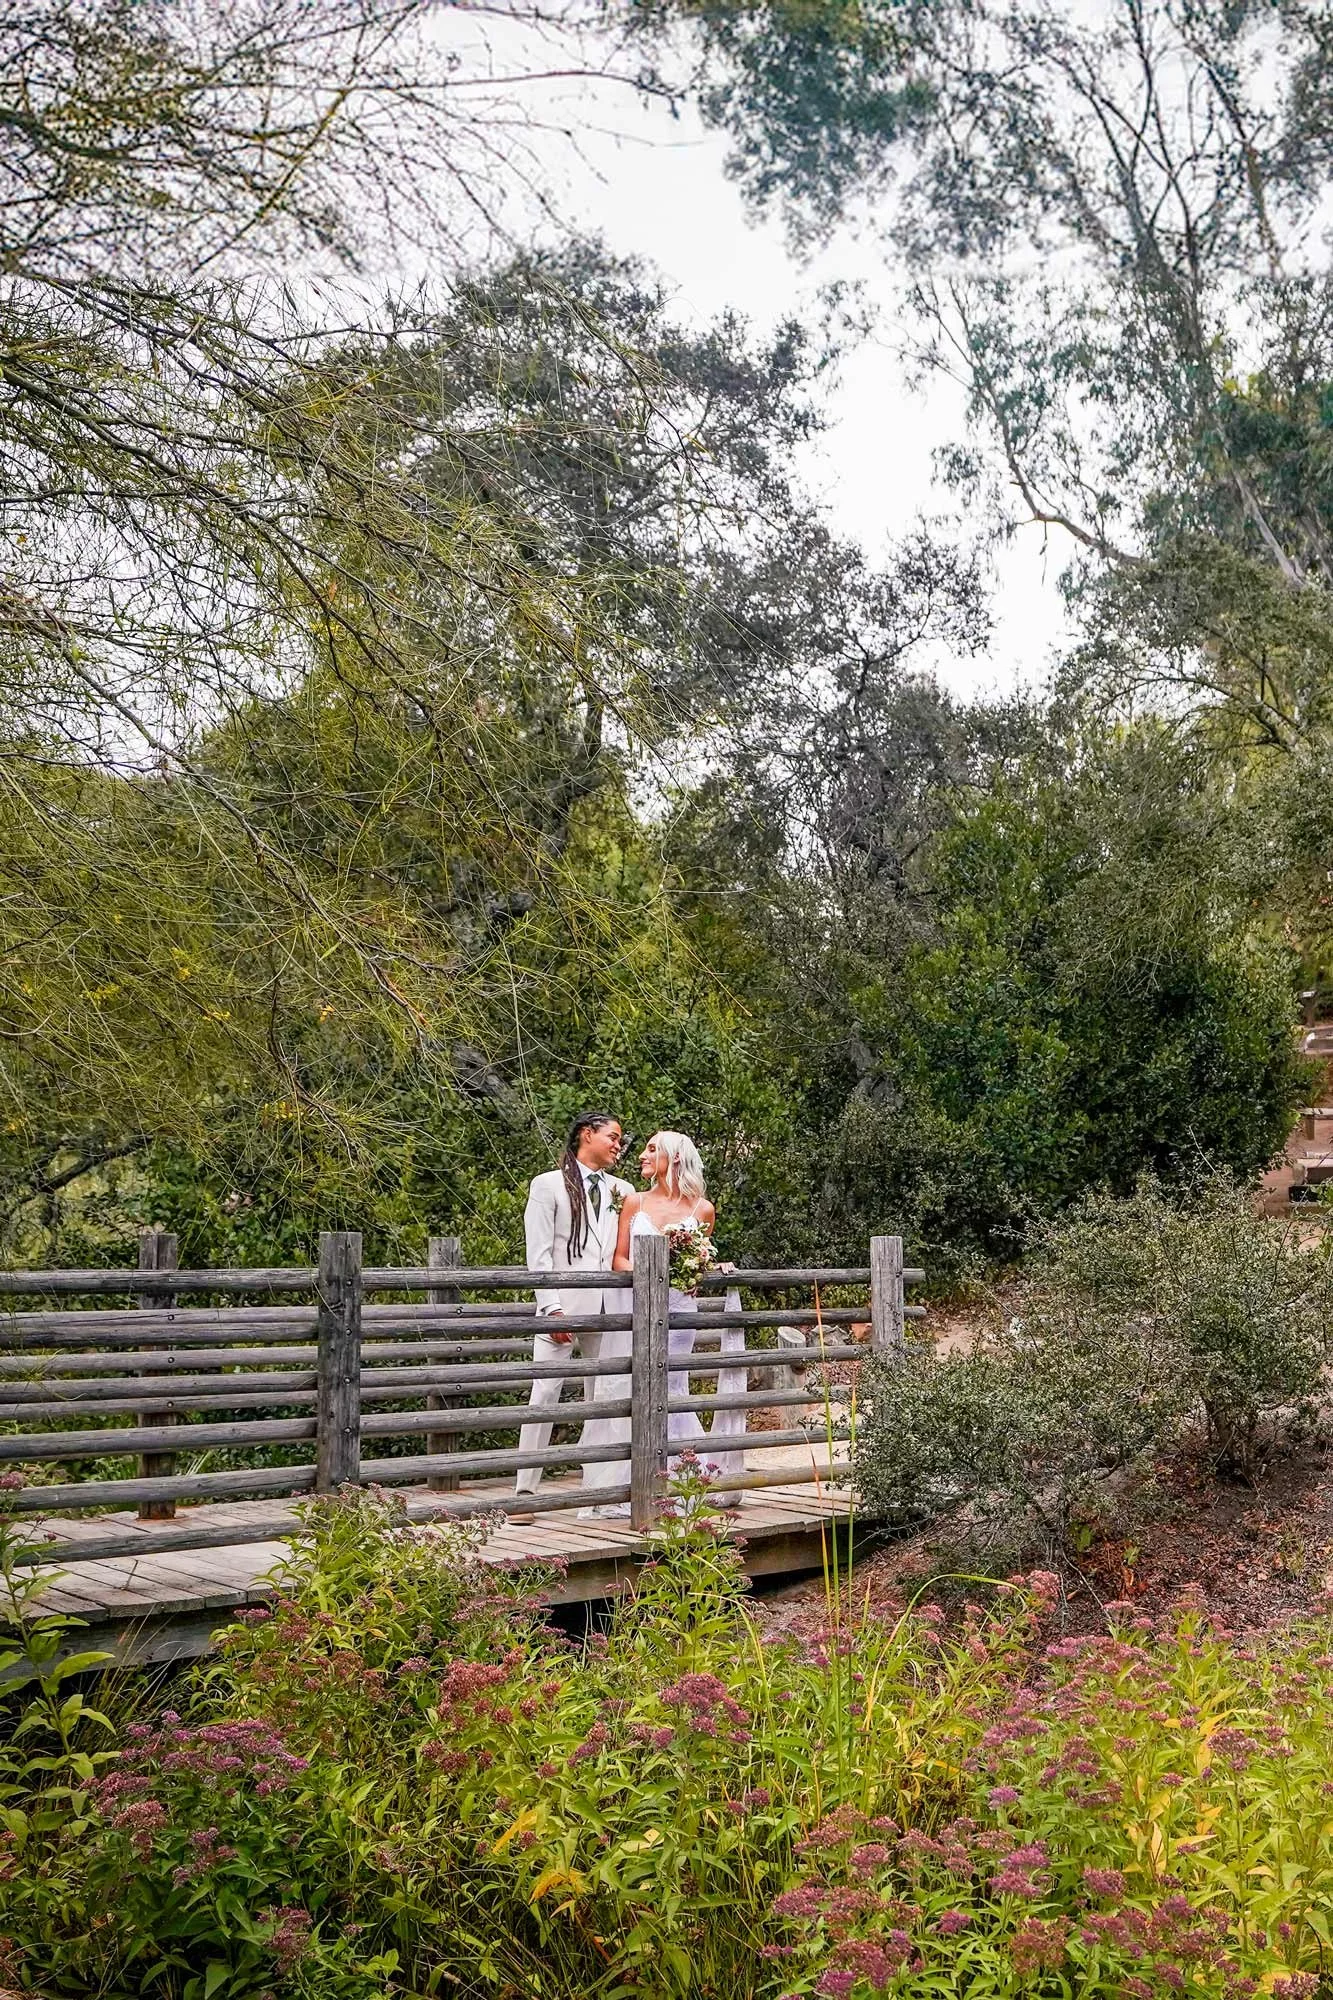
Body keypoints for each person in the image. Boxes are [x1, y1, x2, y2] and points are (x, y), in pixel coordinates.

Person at [581, 1130, 745, 1516]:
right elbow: (619, 1259)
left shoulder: (702, 1209)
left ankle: (681, 1479)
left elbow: (696, 1266)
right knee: (634, 1383)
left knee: (673, 1386)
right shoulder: (634, 1203)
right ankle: (631, 1481)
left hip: (680, 1311)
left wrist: (712, 1266)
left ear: (673, 1157)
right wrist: (649, 1273)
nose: (642, 1154)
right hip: (638, 1307)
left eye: (652, 1148)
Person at [516, 1111, 633, 1500]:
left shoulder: (622, 1189)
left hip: (608, 1308)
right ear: (587, 1134)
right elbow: (540, 1253)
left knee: (603, 1396)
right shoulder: (547, 1185)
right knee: (544, 1393)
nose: (619, 1145)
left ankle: (597, 1489)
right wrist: (551, 1308)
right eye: (613, 1137)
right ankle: (525, 1492)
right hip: (562, 1306)